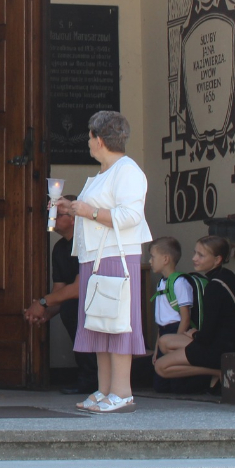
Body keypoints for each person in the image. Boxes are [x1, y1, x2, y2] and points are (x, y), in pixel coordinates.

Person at [52, 110, 151, 414]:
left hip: (115, 256)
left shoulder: (127, 170)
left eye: (90, 136)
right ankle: (104, 389)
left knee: (116, 323)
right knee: (99, 323)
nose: (88, 142)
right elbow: (90, 210)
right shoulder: (103, 174)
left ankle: (122, 392)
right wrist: (71, 207)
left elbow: (130, 216)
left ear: (99, 139)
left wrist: (88, 212)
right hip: (94, 257)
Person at [154, 236, 235, 388]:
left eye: (201, 255)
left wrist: (194, 335)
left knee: (160, 367)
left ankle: (218, 372)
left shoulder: (214, 287)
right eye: (195, 253)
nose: (194, 258)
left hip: (221, 347)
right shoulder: (227, 276)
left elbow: (206, 336)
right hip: (229, 342)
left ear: (217, 260)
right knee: (164, 342)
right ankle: (214, 373)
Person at [24, 209, 98, 396]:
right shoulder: (59, 248)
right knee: (69, 308)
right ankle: (87, 377)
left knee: (72, 308)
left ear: (74, 219)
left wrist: (42, 302)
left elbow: (79, 288)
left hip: (99, 302)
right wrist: (45, 312)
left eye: (57, 215)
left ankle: (94, 378)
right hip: (77, 304)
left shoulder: (87, 242)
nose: (51, 219)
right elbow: (60, 290)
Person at [147, 237, 208, 394]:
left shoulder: (179, 283)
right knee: (160, 386)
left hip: (177, 330)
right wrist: (156, 349)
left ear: (165, 259)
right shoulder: (161, 283)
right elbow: (161, 322)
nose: (150, 261)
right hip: (164, 332)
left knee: (178, 385)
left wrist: (176, 340)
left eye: (153, 257)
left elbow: (185, 317)